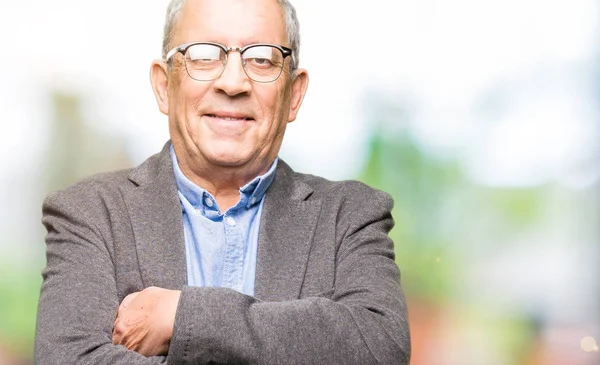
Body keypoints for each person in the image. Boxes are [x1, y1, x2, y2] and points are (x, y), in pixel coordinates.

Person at [35, 0, 411, 363]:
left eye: (262, 58)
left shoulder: (349, 217)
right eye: (204, 54)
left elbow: (380, 347)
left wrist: (182, 317)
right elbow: (67, 358)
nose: (233, 83)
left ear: (294, 95)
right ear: (164, 85)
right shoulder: (89, 215)